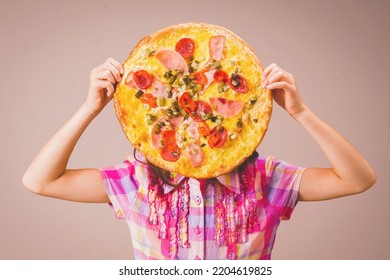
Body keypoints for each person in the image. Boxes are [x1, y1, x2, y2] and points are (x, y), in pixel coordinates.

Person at [22, 58, 376, 260]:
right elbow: (40, 180)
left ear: (237, 125)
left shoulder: (265, 180)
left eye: (211, 114)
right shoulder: (138, 181)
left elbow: (358, 179)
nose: (196, 124)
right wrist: (89, 108)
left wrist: (300, 112)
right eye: (182, 115)